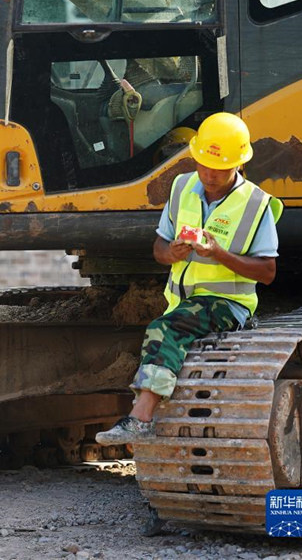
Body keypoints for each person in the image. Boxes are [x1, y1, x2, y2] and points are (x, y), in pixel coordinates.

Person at [96, 112, 283, 445]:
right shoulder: (182, 187)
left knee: (162, 329)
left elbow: (267, 272)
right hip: (183, 303)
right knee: (168, 325)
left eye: (219, 168)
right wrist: (172, 253)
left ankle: (141, 418)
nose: (209, 175)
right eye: (203, 165)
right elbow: (159, 246)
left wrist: (219, 254)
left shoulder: (256, 205)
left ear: (239, 165)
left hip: (229, 305)